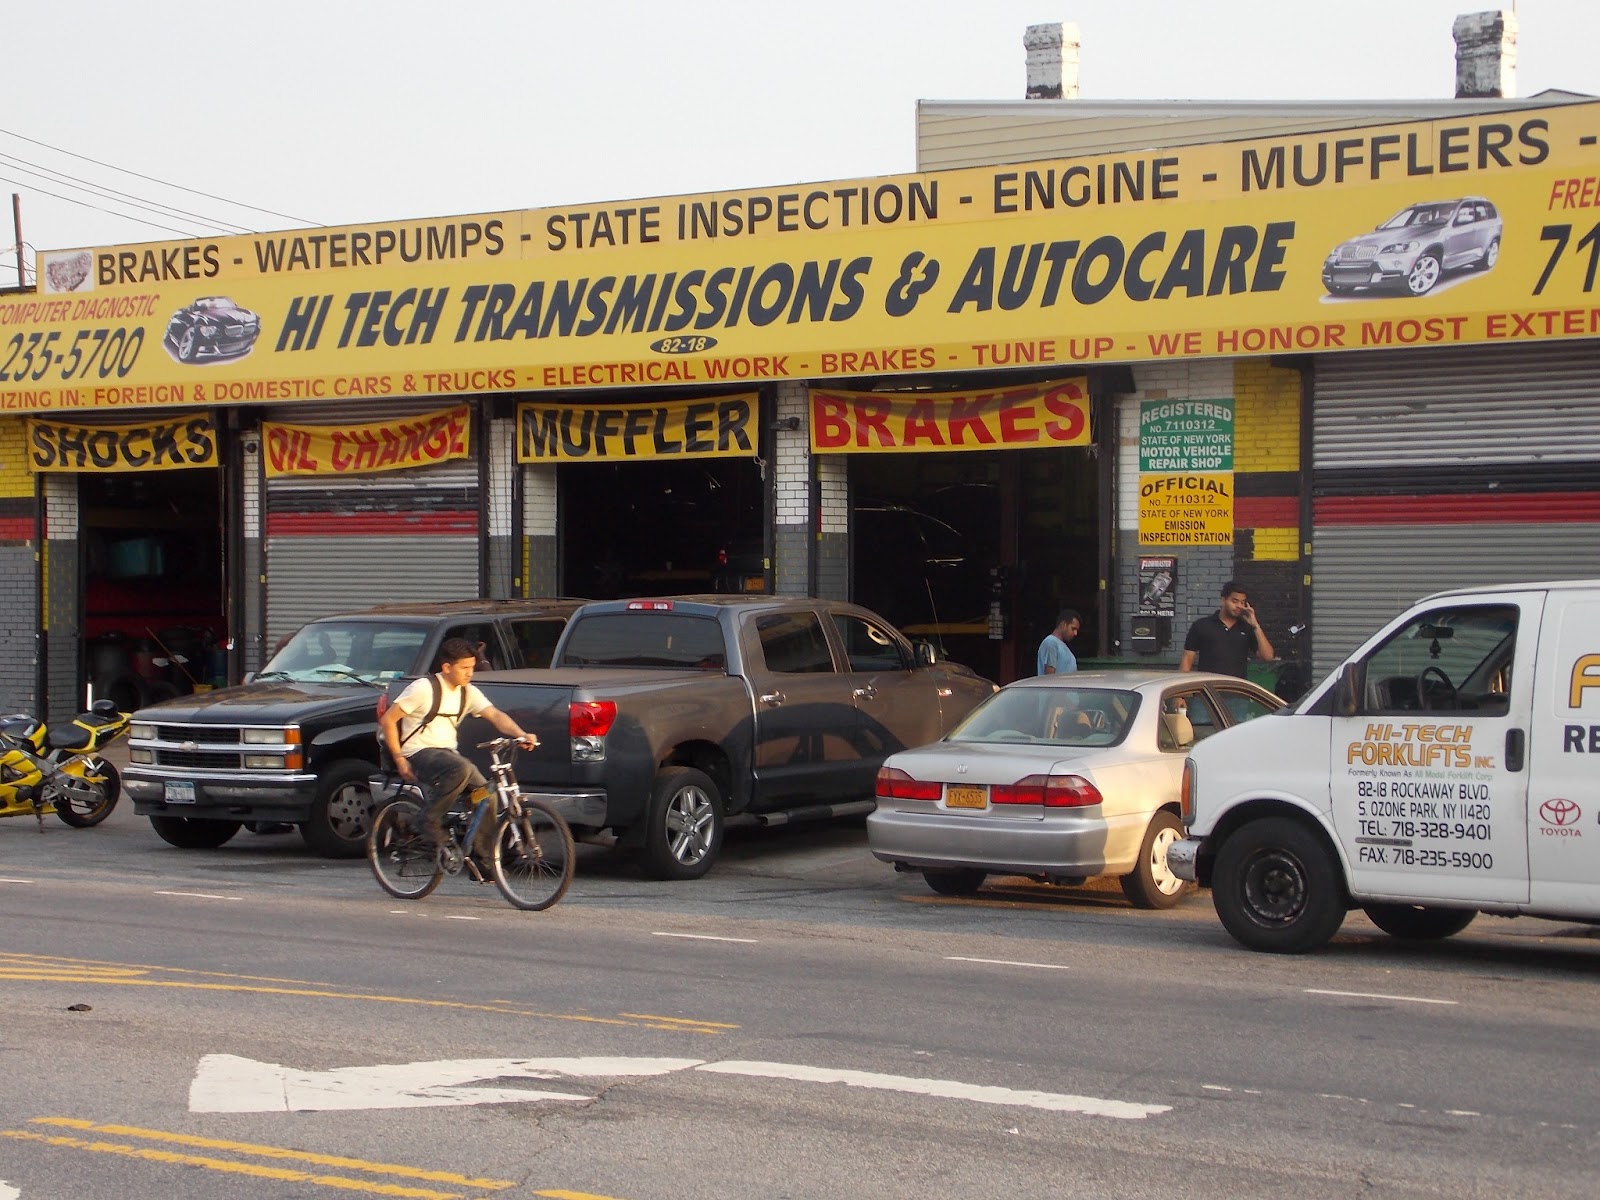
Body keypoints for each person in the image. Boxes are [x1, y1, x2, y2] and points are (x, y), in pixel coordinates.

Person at [378, 636, 538, 854]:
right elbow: (388, 720)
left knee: (485, 795)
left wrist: (521, 734)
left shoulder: (467, 692)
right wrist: (399, 759)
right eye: (464, 668)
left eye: (472, 667)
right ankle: (429, 819)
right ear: (446, 667)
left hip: (447, 755)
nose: (469, 673)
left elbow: (494, 715)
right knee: (460, 768)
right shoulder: (423, 688)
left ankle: (485, 858)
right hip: (418, 754)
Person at [1180, 581, 1275, 678]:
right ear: (1223, 600)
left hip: (1236, 689)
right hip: (1208, 689)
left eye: (1242, 602)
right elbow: (1187, 660)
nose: (1239, 606)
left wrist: (1256, 626)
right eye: (1234, 601)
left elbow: (1268, 657)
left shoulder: (1247, 628)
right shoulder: (1202, 625)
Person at [1037, 608, 1082, 675]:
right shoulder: (1051, 643)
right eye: (1073, 628)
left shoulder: (1061, 645)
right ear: (1063, 624)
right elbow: (1049, 677)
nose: (1075, 633)